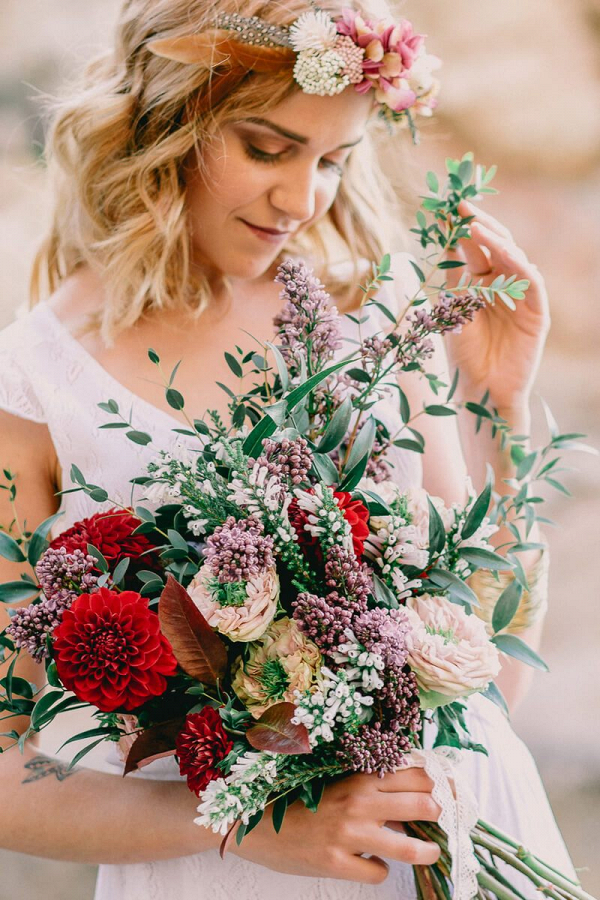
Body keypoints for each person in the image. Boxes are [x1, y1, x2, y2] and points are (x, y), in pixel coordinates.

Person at [0, 1, 576, 898]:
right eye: (268, 149)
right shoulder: (38, 386)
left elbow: (492, 681)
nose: (303, 200)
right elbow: (5, 778)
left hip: (463, 831)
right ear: (166, 122)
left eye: (334, 160)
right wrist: (249, 824)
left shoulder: (376, 321)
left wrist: (502, 412)